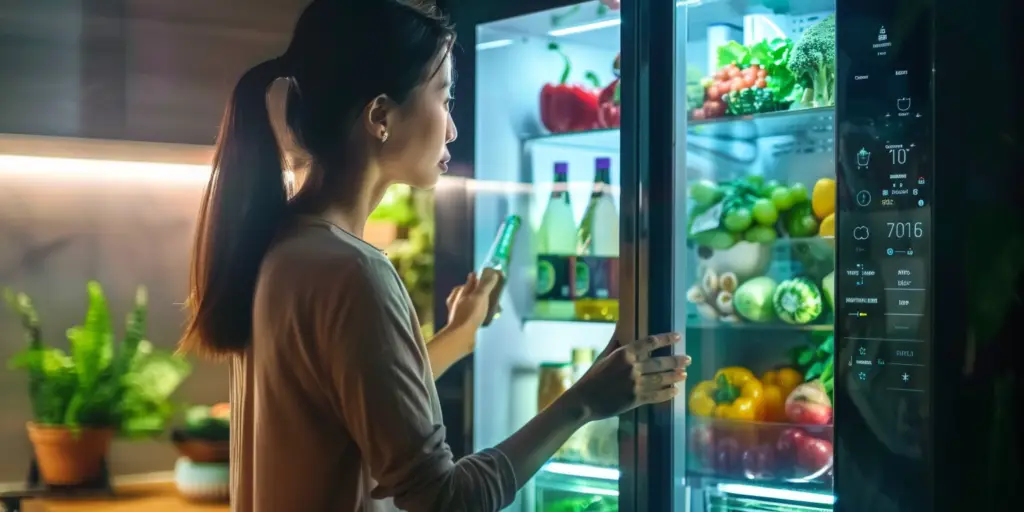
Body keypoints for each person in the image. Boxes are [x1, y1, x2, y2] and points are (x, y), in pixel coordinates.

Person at [179, 1, 690, 511]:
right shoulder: (352, 272)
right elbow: (445, 499)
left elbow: (352, 394)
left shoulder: (283, 245)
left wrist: (458, 336)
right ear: (380, 116)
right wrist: (582, 402)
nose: (452, 129)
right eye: (445, 97)